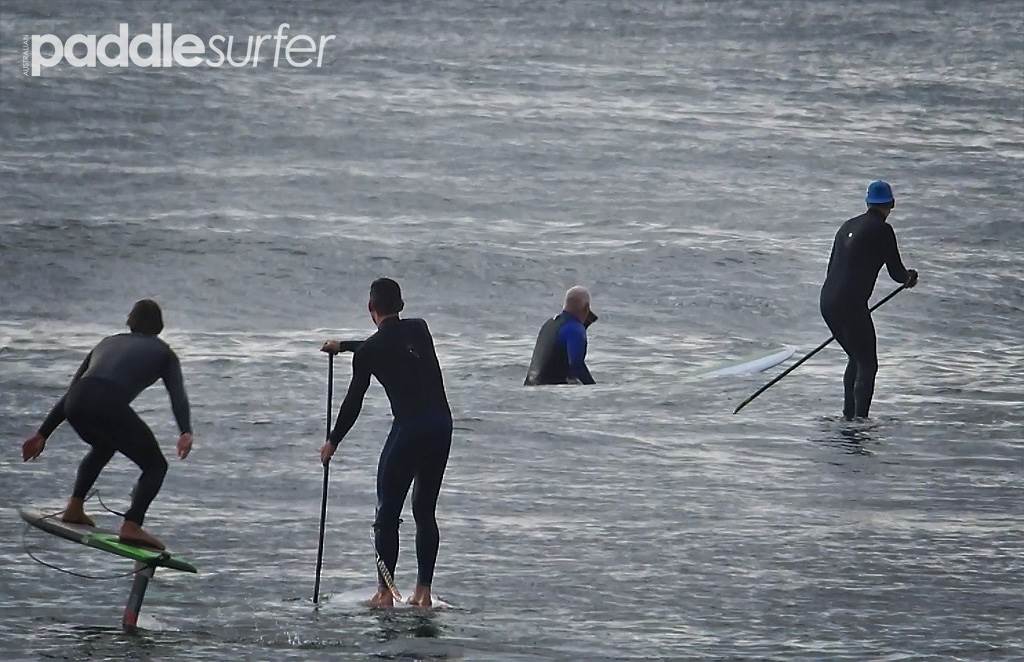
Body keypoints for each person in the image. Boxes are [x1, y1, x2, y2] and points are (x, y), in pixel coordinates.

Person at [319, 278, 452, 608]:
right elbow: (389, 340)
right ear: (401, 306)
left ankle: (385, 593)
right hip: (441, 428)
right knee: (424, 511)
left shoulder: (369, 352)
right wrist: (344, 345)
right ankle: (422, 593)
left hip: (409, 431)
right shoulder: (420, 329)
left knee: (387, 514)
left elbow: (354, 402)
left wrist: (332, 441)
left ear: (370, 307)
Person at [20, 299, 193, 550]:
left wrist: (42, 433)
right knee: (156, 466)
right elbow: (177, 394)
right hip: (107, 401)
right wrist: (185, 430)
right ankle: (132, 525)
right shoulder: (164, 353)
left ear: (130, 321)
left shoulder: (106, 343)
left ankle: (74, 507)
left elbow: (73, 390)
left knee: (104, 446)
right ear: (159, 325)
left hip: (77, 401)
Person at [819, 180, 918, 420]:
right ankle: (860, 422)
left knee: (856, 357)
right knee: (867, 364)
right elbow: (897, 273)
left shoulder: (846, 226)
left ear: (868, 202)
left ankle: (848, 417)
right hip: (851, 304)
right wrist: (909, 278)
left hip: (827, 302)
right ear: (891, 203)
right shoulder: (883, 230)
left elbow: (831, 269)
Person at [524, 285, 598, 386]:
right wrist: (594, 388)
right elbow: (577, 366)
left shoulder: (549, 324)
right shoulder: (575, 329)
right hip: (551, 390)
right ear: (586, 308)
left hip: (530, 386)